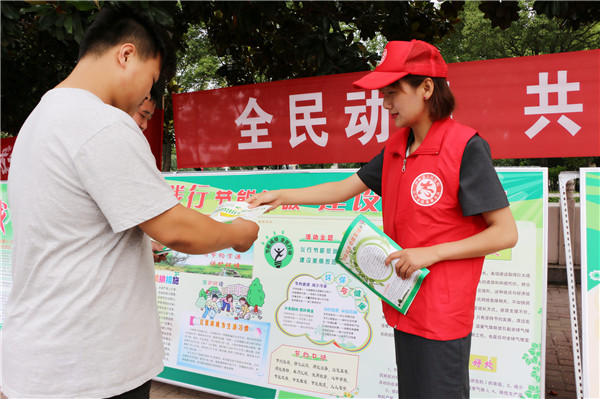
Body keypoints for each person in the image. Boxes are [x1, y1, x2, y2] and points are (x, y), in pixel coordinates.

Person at [3, 6, 258, 399]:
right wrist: (237, 235)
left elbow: (75, 227)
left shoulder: (40, 118)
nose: (147, 95)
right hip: (92, 369)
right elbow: (176, 229)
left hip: (41, 358)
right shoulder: (101, 122)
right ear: (126, 54)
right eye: (151, 80)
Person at [248, 40, 518, 398]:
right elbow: (344, 188)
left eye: (393, 93)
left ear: (426, 88)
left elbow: (505, 233)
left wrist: (430, 253)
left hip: (441, 312)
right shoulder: (396, 147)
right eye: (384, 94)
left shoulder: (465, 146)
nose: (385, 103)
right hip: (403, 301)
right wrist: (281, 197)